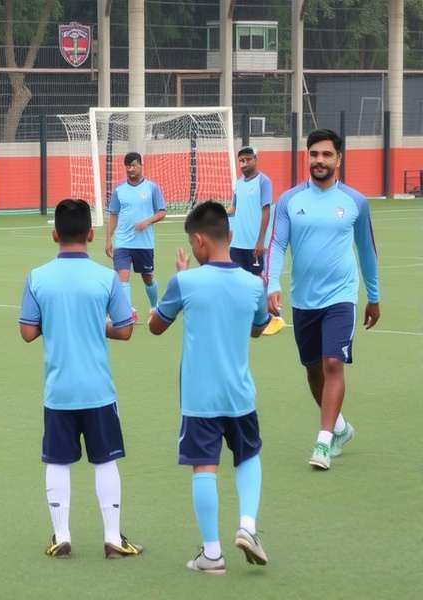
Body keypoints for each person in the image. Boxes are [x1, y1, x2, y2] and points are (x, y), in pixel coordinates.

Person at [149, 201, 270, 575]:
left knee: (204, 467)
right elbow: (259, 326)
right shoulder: (253, 284)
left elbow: (156, 325)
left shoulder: (185, 282)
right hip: (240, 394)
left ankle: (213, 554)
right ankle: (248, 526)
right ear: (229, 237)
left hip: (200, 398)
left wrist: (180, 278)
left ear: (198, 242)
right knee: (247, 456)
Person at [20, 198, 143, 560]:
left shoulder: (37, 277)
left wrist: (55, 322)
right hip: (98, 389)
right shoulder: (106, 278)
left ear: (55, 234)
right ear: (91, 234)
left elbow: (28, 333)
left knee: (57, 461)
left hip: (58, 391)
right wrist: (97, 325)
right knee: (106, 461)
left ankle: (61, 535)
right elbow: (124, 331)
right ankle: (112, 539)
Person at [267, 128, 380, 471]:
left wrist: (373, 296)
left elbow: (368, 251)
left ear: (339, 159)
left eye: (326, 155)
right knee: (313, 370)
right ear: (307, 157)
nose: (319, 160)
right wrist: (272, 283)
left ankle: (323, 441)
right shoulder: (289, 201)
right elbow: (277, 245)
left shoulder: (355, 202)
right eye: (314, 154)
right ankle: (341, 428)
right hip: (304, 300)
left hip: (341, 296)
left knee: (333, 363)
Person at [228, 146, 284, 336]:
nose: (244, 164)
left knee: (260, 280)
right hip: (237, 243)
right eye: (241, 161)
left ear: (255, 159)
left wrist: (260, 241)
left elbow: (266, 211)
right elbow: (233, 209)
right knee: (238, 280)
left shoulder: (263, 182)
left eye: (247, 160)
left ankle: (274, 315)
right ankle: (246, 316)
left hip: (255, 243)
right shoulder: (239, 183)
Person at [105, 152, 167, 319]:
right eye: (127, 166)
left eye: (133, 165)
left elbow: (162, 212)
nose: (130, 169)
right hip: (123, 242)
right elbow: (113, 214)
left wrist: (147, 222)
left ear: (141, 165)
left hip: (144, 243)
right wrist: (108, 239)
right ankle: (126, 313)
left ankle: (154, 307)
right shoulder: (119, 190)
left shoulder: (152, 188)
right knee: (122, 278)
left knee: (147, 278)